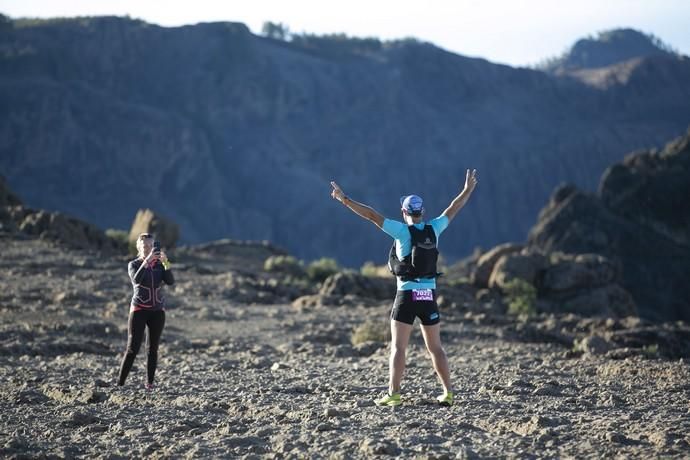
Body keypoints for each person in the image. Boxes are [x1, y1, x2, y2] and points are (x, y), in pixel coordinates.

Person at [330, 169, 478, 406]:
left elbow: (370, 215)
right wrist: (467, 189)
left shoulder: (400, 231)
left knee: (399, 348)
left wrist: (344, 199)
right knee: (435, 348)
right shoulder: (435, 229)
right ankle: (448, 393)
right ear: (423, 212)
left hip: (406, 295)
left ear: (404, 212)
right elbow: (453, 207)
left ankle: (394, 395)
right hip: (428, 294)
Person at [117, 233, 175, 389]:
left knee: (152, 349)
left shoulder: (159, 264)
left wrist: (166, 262)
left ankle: (149, 384)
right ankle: (120, 384)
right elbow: (137, 279)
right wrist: (147, 261)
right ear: (139, 247)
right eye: (145, 246)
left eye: (151, 246)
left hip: (157, 311)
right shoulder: (134, 264)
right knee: (132, 349)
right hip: (139, 310)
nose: (148, 249)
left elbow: (170, 281)